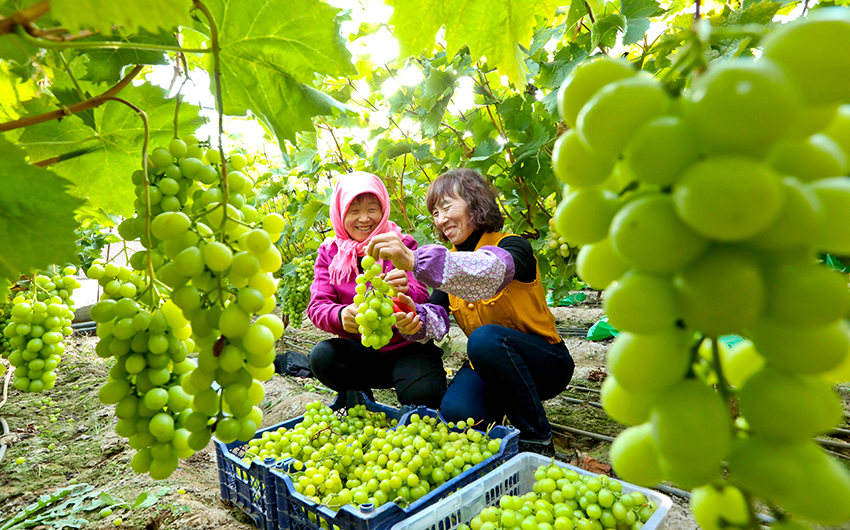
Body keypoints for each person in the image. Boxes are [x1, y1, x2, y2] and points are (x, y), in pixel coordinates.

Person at [366, 168, 574, 455]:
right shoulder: (451, 265)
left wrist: (415, 259)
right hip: (491, 367)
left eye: (447, 206)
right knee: (458, 413)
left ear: (475, 202)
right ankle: (506, 408)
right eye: (435, 212)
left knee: (485, 339)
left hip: (546, 364)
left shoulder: (514, 246)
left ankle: (537, 437)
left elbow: (489, 271)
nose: (440, 219)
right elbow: (436, 320)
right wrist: (414, 318)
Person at [306, 171, 446, 408]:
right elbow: (318, 306)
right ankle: (360, 399)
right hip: (362, 352)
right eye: (354, 210)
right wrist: (340, 316)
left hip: (408, 348)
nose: (364, 218)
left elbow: (423, 299)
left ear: (383, 210)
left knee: (423, 396)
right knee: (323, 356)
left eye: (372, 209)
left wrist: (406, 292)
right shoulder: (329, 252)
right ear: (341, 213)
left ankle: (415, 385)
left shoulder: (402, 244)